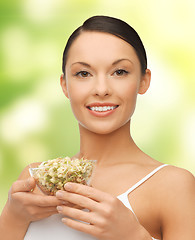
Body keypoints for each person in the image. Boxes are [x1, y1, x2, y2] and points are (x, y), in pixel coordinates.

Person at [0, 15, 195, 240]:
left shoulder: (172, 185)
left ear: (143, 80)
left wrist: (134, 236)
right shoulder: (36, 179)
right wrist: (12, 217)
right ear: (65, 85)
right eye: (83, 73)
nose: (101, 89)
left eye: (119, 72)